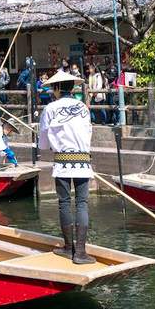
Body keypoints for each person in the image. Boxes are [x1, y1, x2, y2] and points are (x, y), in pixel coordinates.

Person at [39, 70, 95, 265]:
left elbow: (44, 144)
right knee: (82, 203)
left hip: (63, 161)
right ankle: (80, 251)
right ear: (72, 88)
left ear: (56, 88)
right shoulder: (83, 108)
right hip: (83, 161)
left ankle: (68, 248)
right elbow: (88, 133)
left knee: (64, 202)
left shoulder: (51, 109)